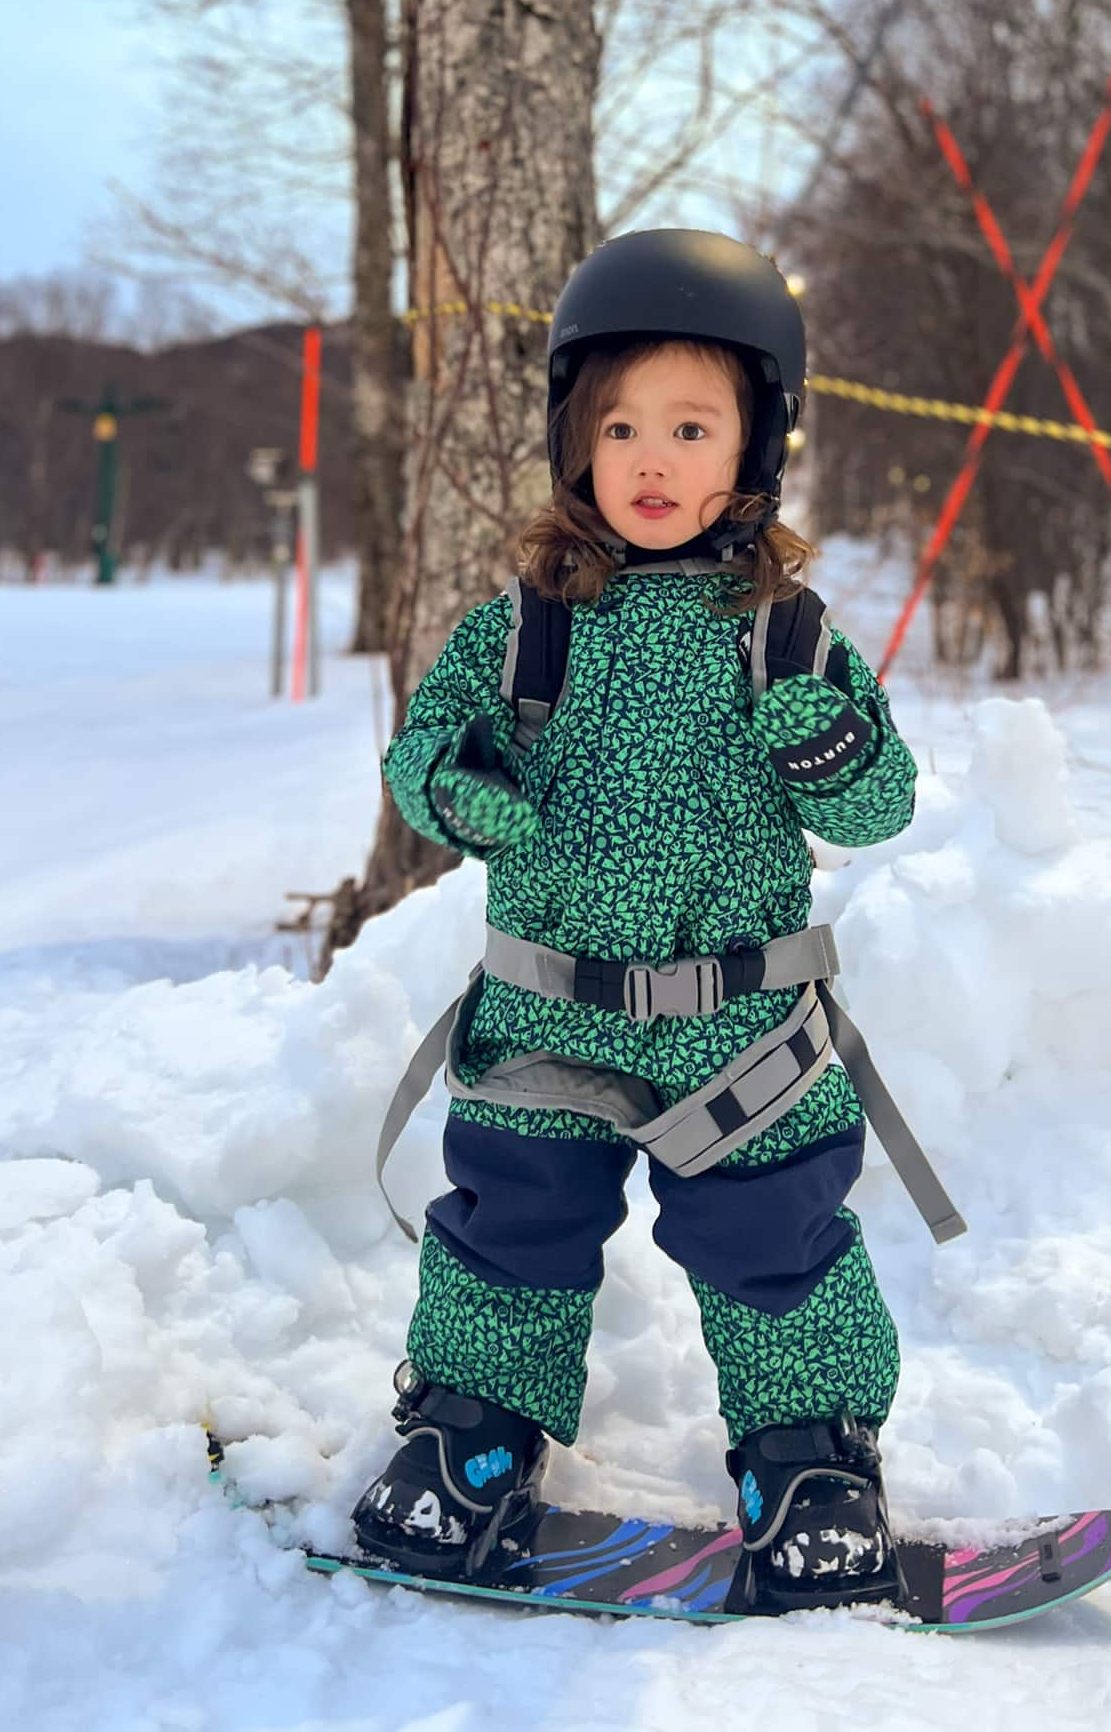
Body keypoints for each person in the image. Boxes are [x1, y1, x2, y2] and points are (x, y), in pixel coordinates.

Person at [352, 228, 920, 1610]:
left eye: (689, 425)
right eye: (620, 426)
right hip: (548, 1013)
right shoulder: (526, 624)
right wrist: (478, 799)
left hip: (743, 1031)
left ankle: (810, 1460)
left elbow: (880, 802)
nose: (652, 459)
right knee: (509, 1231)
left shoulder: (784, 630)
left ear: (754, 447)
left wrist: (824, 741)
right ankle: (472, 1438)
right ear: (574, 443)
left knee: (776, 1242)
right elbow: (421, 754)